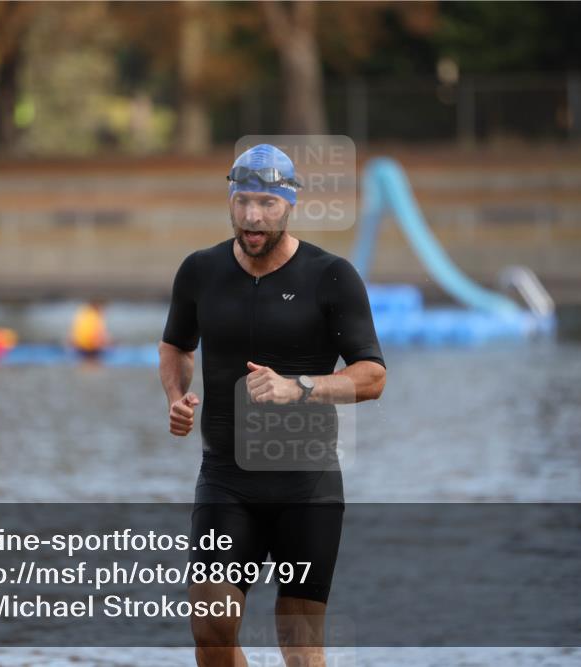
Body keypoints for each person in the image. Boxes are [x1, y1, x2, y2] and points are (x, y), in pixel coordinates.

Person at [159, 144, 386, 667]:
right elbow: (175, 345)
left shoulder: (331, 276)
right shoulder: (200, 271)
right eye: (241, 202)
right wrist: (176, 397)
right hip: (225, 477)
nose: (252, 217)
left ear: (289, 204)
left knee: (300, 647)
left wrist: (300, 387)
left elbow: (372, 376)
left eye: (265, 203)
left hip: (305, 483)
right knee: (211, 630)